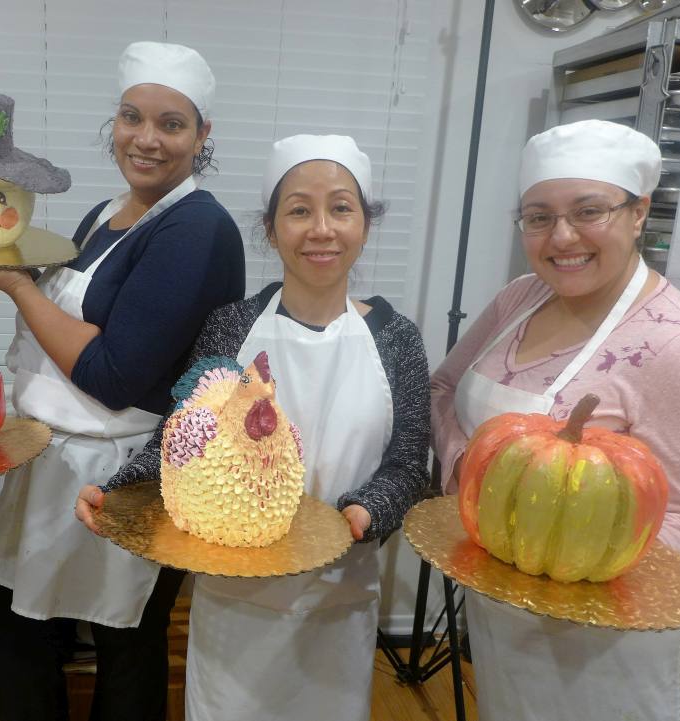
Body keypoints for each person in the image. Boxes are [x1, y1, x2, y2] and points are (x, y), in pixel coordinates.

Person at [78, 134, 431, 721]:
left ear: (365, 224)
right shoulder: (231, 326)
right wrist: (120, 491)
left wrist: (365, 511)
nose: (321, 229)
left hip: (339, 597)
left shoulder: (396, 339)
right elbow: (179, 437)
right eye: (299, 210)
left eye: (341, 208)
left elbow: (409, 463)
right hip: (233, 597)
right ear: (271, 229)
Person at [0, 42, 245, 721]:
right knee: (17, 632)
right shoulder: (105, 213)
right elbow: (79, 325)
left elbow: (114, 375)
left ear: (203, 134)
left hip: (125, 473)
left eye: (172, 124)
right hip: (51, 458)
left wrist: (18, 287)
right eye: (131, 116)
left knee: (124, 643)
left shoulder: (198, 228)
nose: (146, 139)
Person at [430, 119, 680, 721]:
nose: (562, 236)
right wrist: (468, 472)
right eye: (539, 217)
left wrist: (564, 568)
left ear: (638, 211)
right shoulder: (521, 298)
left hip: (613, 630)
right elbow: (444, 388)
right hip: (502, 587)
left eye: (589, 211)